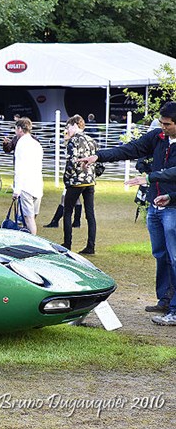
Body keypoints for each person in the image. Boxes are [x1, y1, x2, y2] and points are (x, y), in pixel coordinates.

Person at [79, 101, 176, 325]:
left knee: (174, 258)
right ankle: (165, 299)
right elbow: (129, 149)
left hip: (173, 208)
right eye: (161, 123)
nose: (162, 127)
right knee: (161, 256)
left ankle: (174, 309)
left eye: (168, 124)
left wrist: (151, 178)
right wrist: (98, 156)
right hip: (156, 207)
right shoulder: (157, 138)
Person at [61, 115, 97, 254]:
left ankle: (67, 243)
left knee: (68, 211)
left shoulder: (73, 141)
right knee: (90, 214)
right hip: (90, 181)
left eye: (68, 127)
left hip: (76, 181)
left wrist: (67, 179)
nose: (67, 130)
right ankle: (90, 246)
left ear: (75, 125)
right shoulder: (91, 140)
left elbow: (71, 162)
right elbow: (98, 162)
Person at [12, 117, 43, 235]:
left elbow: (19, 168)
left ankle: (33, 242)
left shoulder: (21, 144)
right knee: (32, 218)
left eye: (16, 129)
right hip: (37, 184)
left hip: (26, 185)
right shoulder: (36, 144)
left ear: (20, 129)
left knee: (28, 219)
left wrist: (17, 190)